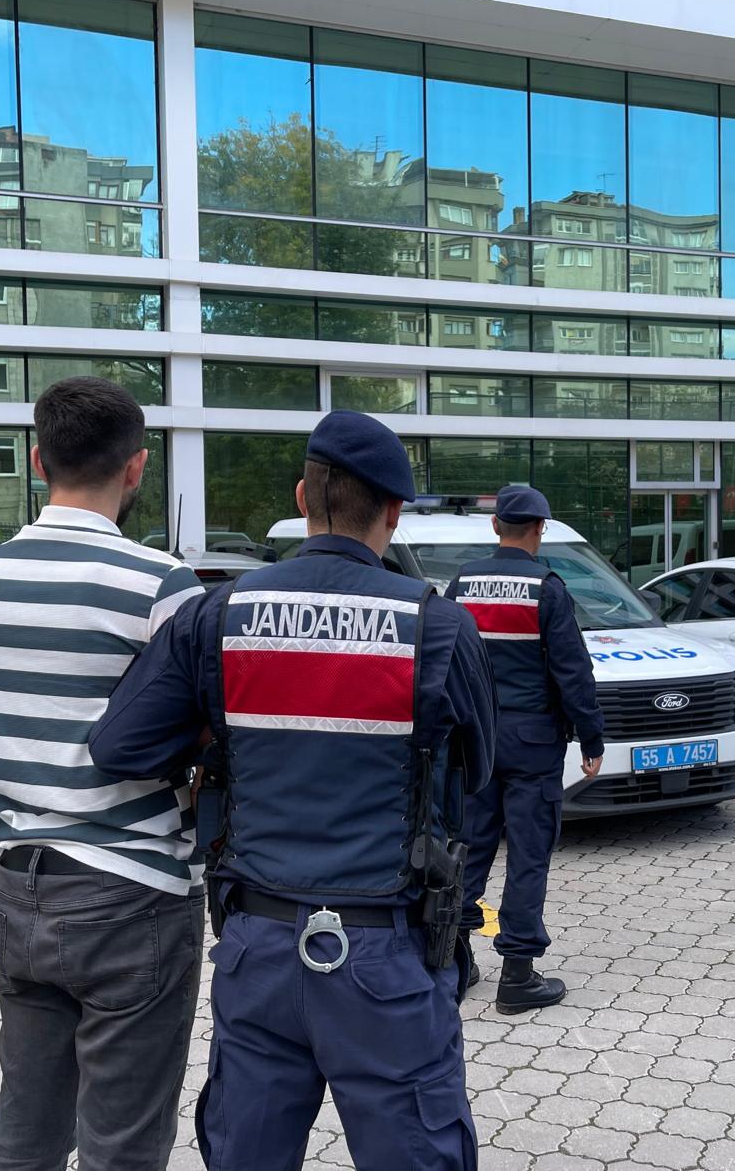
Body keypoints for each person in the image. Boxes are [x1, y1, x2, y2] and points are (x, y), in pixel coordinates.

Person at [89, 410, 497, 1170]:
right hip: (388, 955)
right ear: (393, 511)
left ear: (303, 497)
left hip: (259, 949)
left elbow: (119, 747)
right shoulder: (437, 626)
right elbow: (479, 775)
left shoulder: (218, 614)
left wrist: (224, 732)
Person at [0, 377, 207, 1171]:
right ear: (136, 467)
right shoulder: (161, 584)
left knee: (26, 1123)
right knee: (122, 1139)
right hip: (133, 890)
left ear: (39, 462)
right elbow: (202, 730)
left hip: (18, 886)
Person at [447, 485, 604, 1014]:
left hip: (475, 740)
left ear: (496, 526)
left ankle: (454, 962)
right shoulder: (547, 588)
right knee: (528, 857)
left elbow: (445, 662)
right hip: (534, 744)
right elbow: (573, 672)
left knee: (467, 848)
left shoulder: (463, 583)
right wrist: (591, 736)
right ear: (540, 528)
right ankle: (517, 975)